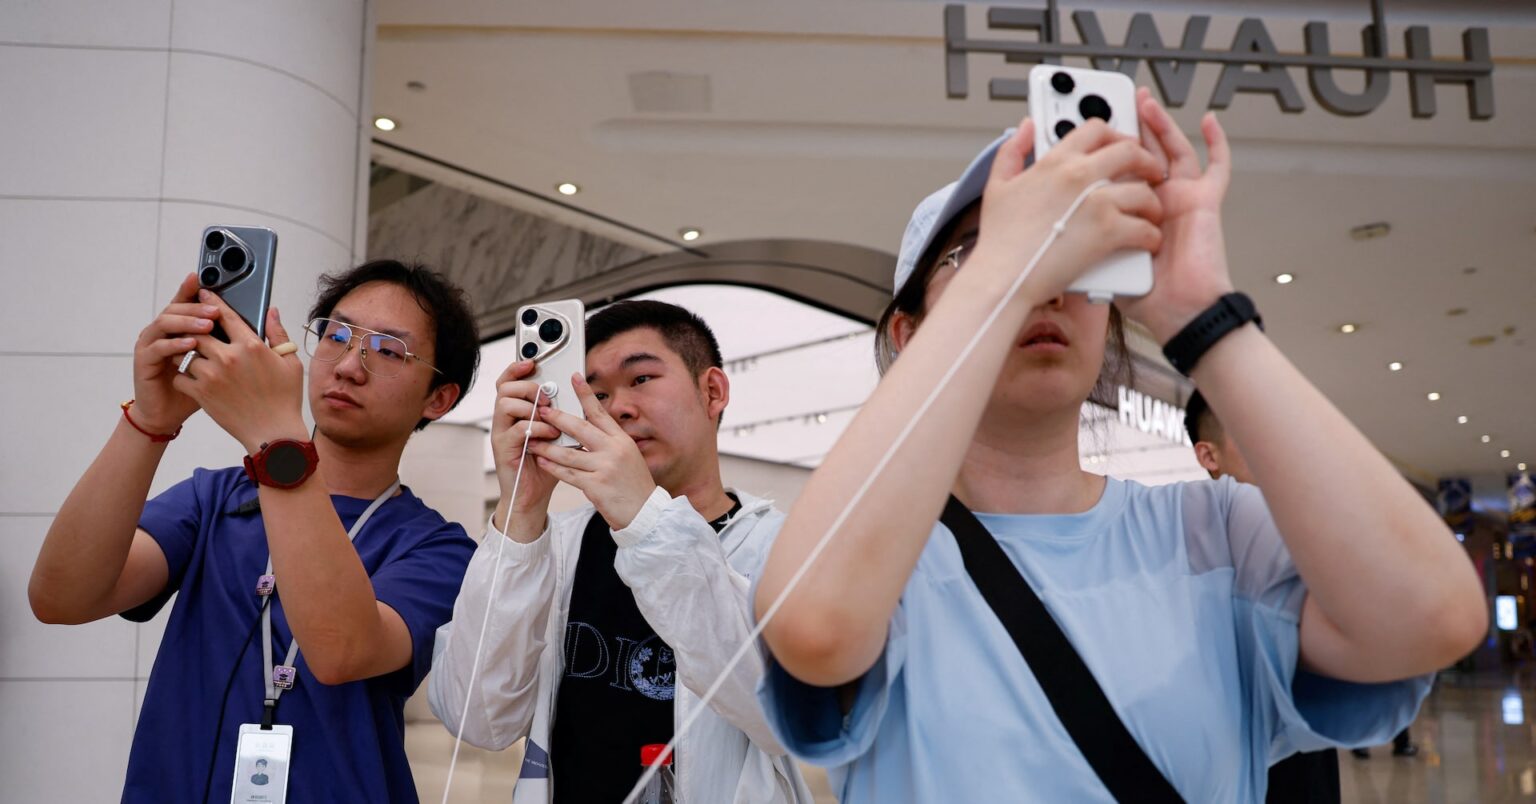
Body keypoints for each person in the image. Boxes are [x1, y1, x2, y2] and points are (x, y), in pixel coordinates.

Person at [753, 90, 1486, 802]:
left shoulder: (1215, 533)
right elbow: (816, 630)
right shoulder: (879, 560)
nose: (1046, 283)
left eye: (1070, 255)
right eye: (977, 252)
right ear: (910, 334)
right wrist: (1001, 278)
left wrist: (1201, 310)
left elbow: (1434, 617)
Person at [29, 260, 482, 802]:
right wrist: (150, 421)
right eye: (336, 336)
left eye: (388, 351)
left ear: (439, 398)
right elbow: (62, 598)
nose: (348, 366)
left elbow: (340, 651)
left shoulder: (441, 548)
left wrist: (275, 435)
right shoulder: (216, 498)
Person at [429, 300, 812, 803]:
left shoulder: (783, 545)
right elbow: (477, 719)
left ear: (712, 391)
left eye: (642, 379)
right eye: (596, 393)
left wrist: (644, 517)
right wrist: (520, 509)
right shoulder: (556, 545)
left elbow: (788, 715)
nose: (617, 408)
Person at [1186, 389, 1345, 802]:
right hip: (1234, 762)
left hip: (1306, 754)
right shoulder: (1191, 548)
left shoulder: (1304, 531)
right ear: (1209, 456)